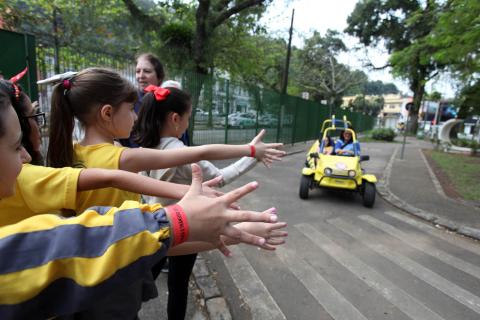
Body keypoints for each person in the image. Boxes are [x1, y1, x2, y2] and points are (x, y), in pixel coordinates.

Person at [0, 90, 283, 319]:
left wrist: (182, 210)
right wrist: (248, 154)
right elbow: (111, 219)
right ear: (107, 113)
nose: (25, 155)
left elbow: (117, 190)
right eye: (15, 146)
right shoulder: (121, 156)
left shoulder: (75, 151)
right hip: (113, 286)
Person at [134, 85, 287, 319]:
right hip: (185, 227)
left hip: (153, 226)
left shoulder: (144, 146)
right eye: (188, 117)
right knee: (178, 286)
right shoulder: (182, 153)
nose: (187, 123)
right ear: (175, 119)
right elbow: (219, 178)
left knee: (139, 287)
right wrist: (253, 155)